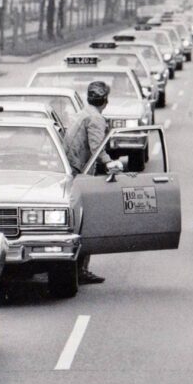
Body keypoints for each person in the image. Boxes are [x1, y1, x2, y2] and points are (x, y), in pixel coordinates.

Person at [64, 81, 123, 285]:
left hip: (71, 171)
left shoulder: (81, 113)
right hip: (82, 174)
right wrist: (110, 163)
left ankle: (77, 268)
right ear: (106, 100)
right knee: (86, 222)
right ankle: (81, 270)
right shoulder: (96, 118)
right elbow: (97, 148)